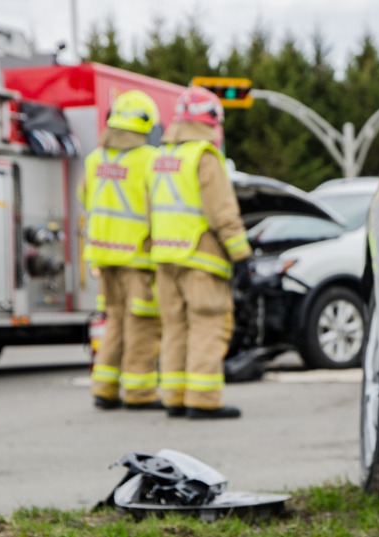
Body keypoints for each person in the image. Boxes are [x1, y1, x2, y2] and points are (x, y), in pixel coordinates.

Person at [149, 86, 252, 420]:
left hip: (165, 259)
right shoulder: (204, 156)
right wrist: (241, 257)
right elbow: (222, 212)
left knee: (175, 328)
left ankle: (175, 397)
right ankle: (203, 399)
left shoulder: (162, 157)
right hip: (201, 259)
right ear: (212, 120)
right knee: (208, 325)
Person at [80, 90, 162, 410]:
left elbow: (84, 198)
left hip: (103, 255)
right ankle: (140, 393)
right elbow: (158, 208)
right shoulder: (148, 160)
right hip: (137, 257)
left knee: (114, 322)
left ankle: (104, 389)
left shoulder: (94, 159)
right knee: (142, 325)